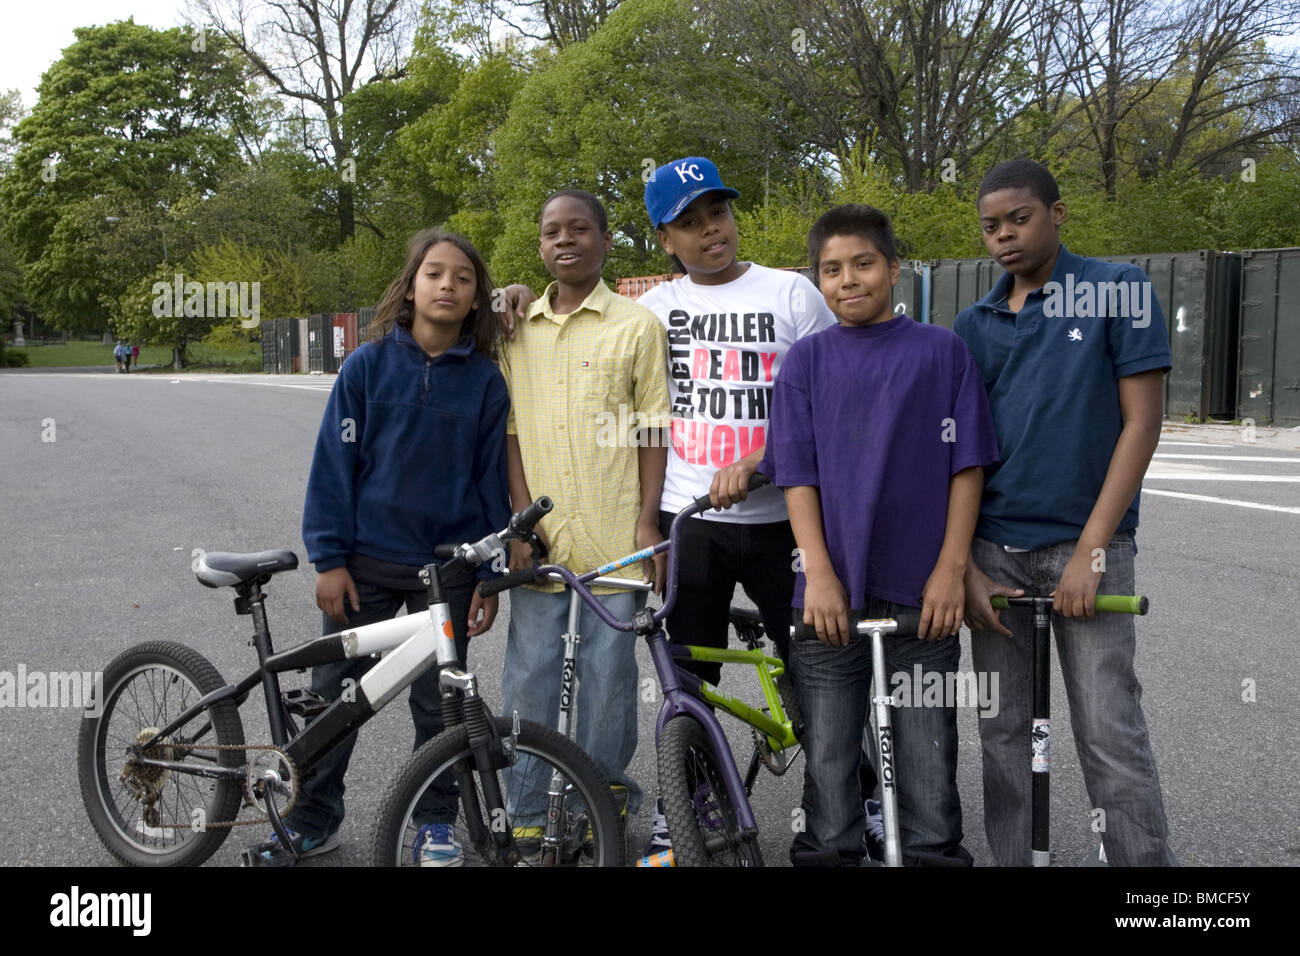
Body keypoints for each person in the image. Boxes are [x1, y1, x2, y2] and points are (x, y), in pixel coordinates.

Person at [762, 203, 999, 866]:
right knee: (831, 758)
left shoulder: (941, 352)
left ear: (894, 269)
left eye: (863, 263)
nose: (848, 279)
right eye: (831, 270)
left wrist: (952, 567)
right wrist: (821, 574)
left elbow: (967, 465)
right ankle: (830, 853)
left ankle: (929, 855)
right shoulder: (805, 362)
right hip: (828, 598)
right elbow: (798, 478)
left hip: (922, 594)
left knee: (927, 760)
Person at [954, 159, 1176, 866]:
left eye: (1019, 218)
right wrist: (961, 565)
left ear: (1058, 213)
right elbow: (958, 456)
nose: (1005, 236)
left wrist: (1093, 550)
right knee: (1004, 734)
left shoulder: (1119, 290)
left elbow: (1141, 425)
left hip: (1090, 545)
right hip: (995, 553)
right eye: (991, 226)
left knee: (1110, 729)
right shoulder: (974, 323)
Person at [270, 227, 511, 866]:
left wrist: (489, 573)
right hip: (364, 566)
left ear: (476, 299)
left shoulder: (486, 383)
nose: (448, 285)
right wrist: (329, 559)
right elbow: (334, 467)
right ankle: (313, 818)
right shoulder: (366, 367)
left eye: (463, 278)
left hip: (448, 572)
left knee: (441, 709)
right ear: (409, 288)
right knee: (336, 701)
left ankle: (433, 824)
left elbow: (491, 486)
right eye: (435, 273)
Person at [633, 157, 837, 855]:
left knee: (817, 664)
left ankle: (845, 801)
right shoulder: (652, 311)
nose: (709, 230)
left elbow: (823, 404)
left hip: (787, 521)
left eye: (716, 213)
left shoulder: (793, 294)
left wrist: (760, 460)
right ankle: (685, 811)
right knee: (688, 678)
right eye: (688, 222)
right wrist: (511, 297)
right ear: (664, 238)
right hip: (691, 525)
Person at [496, 189, 671, 845]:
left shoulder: (636, 325)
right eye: (551, 232)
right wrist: (520, 522)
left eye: (579, 229)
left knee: (609, 680)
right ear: (540, 245)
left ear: (604, 239)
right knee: (530, 675)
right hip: (541, 539)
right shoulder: (515, 328)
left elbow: (654, 429)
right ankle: (528, 814)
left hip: (616, 535)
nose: (564, 240)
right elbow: (510, 432)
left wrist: (649, 522)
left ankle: (600, 801)